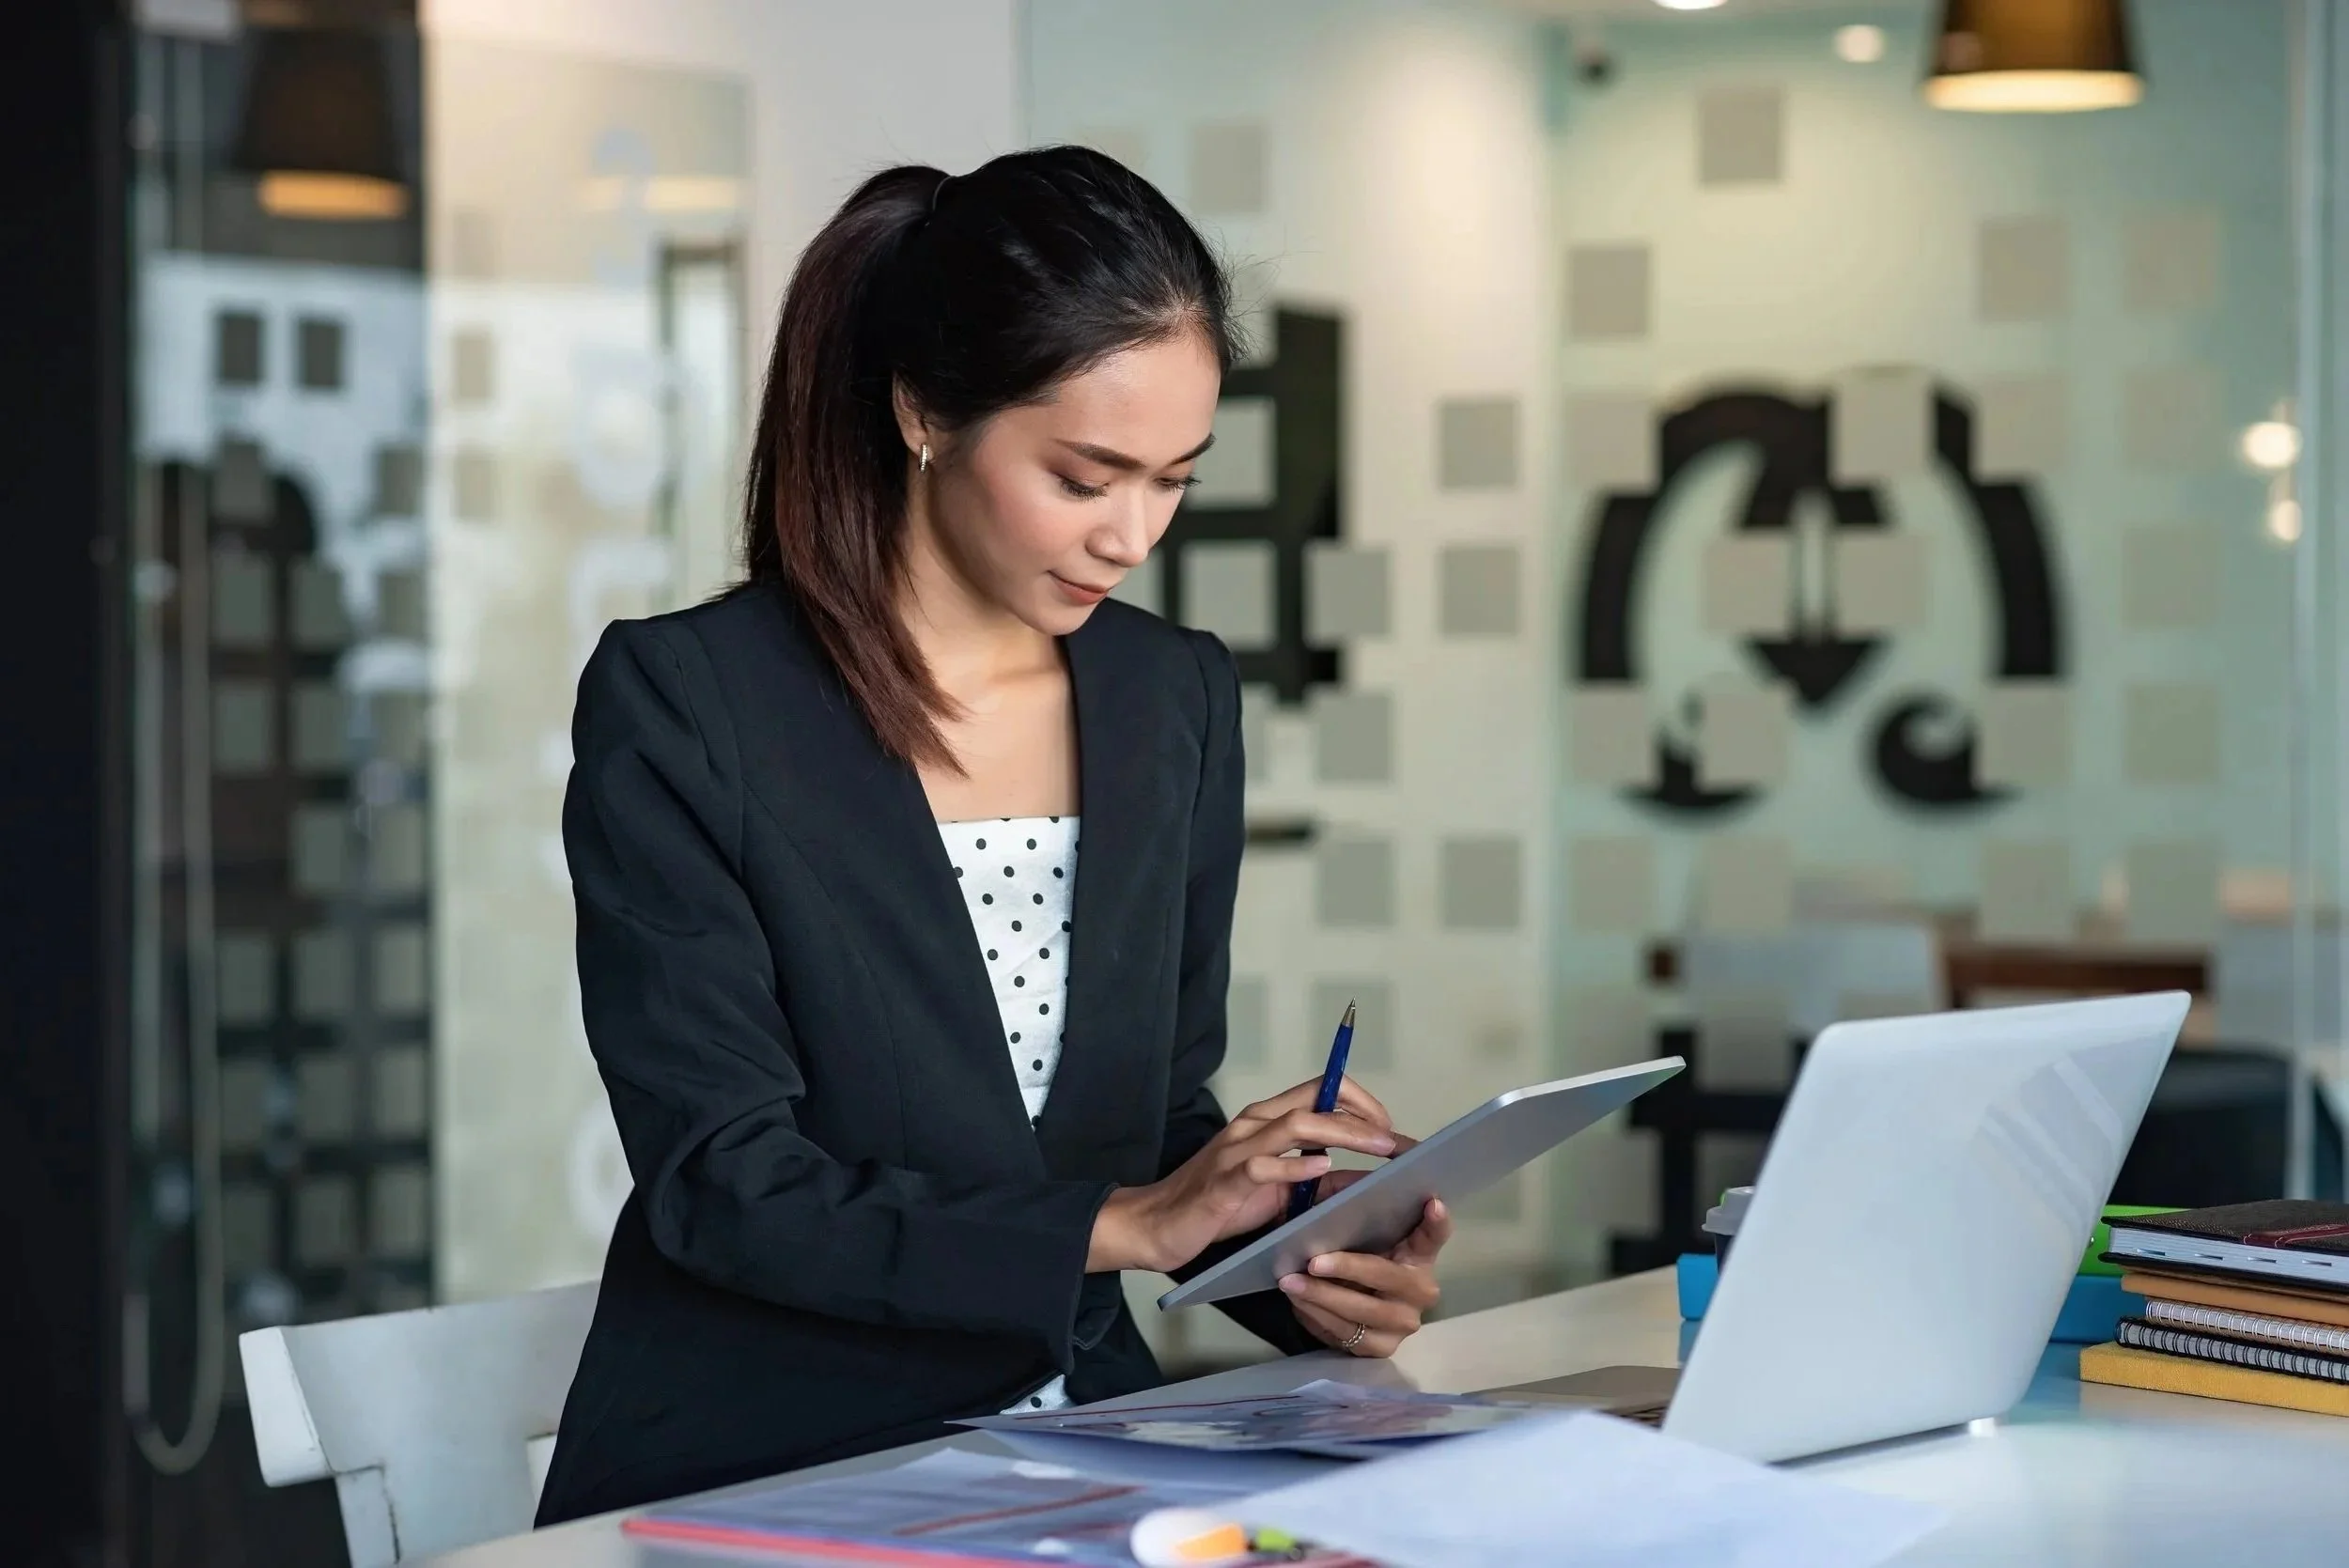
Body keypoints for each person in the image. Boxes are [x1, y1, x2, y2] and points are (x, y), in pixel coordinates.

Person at [534, 147, 1452, 1526]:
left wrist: (1295, 1249)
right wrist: (1131, 1224)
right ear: (923, 412)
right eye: (1085, 477)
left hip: (1089, 1459)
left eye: (1174, 481)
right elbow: (729, 1185)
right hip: (773, 1470)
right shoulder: (692, 704)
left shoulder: (1171, 693)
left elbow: (1146, 1119)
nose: (1131, 535)